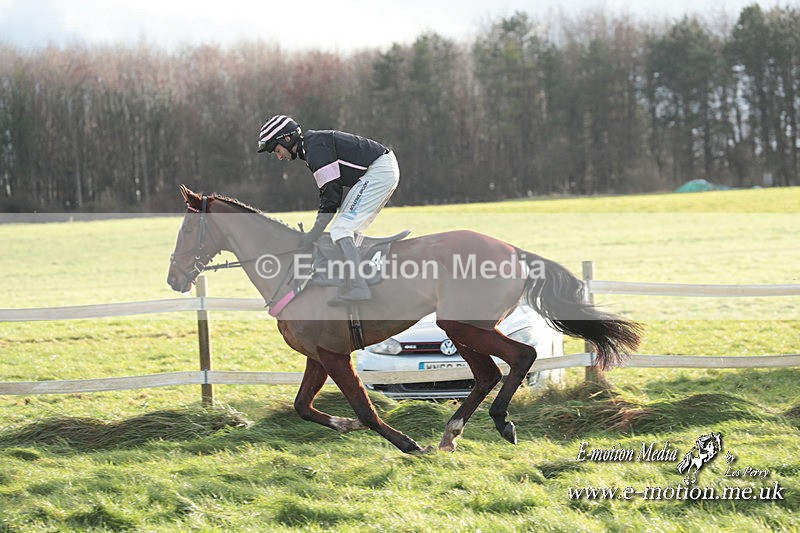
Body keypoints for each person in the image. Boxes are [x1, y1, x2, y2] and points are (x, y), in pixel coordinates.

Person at [257, 114, 399, 306]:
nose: (279, 156)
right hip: (381, 169)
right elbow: (330, 195)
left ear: (287, 139)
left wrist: (313, 234)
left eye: (277, 150)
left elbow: (331, 195)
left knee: (340, 229)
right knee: (345, 228)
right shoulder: (311, 147)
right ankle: (354, 277)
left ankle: (359, 286)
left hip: (379, 171)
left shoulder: (314, 150)